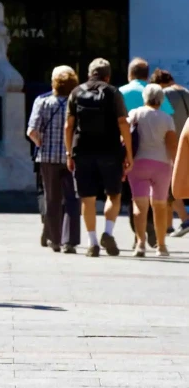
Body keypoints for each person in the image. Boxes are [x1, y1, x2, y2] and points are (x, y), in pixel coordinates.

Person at [65, 58, 133, 257]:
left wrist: (69, 153)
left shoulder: (76, 92)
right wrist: (128, 152)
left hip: (83, 150)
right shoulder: (113, 92)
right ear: (108, 75)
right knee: (114, 195)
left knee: (87, 198)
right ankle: (108, 232)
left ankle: (92, 242)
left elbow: (69, 125)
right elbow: (123, 123)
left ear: (89, 74)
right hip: (110, 150)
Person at [27, 66, 81, 254]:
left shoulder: (43, 102)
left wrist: (41, 142)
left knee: (52, 199)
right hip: (72, 158)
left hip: (48, 158)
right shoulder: (77, 104)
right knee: (72, 199)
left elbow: (32, 131)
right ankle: (70, 241)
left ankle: (54, 239)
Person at [127, 84, 177, 258]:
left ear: (144, 97)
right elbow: (171, 144)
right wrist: (176, 164)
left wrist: (126, 160)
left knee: (140, 205)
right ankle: (161, 246)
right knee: (160, 206)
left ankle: (140, 244)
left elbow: (125, 137)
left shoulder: (135, 114)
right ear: (161, 99)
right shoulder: (167, 118)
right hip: (162, 165)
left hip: (138, 163)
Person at [150, 68, 189, 237]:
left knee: (170, 185)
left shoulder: (162, 94)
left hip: (174, 142)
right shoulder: (185, 91)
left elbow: (162, 119)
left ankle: (180, 220)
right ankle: (169, 225)